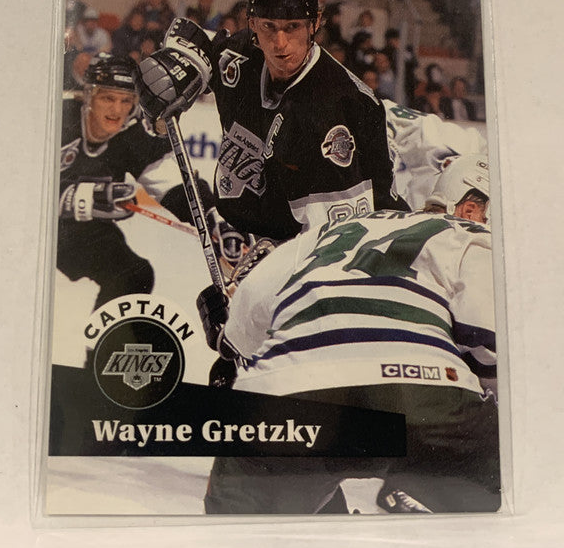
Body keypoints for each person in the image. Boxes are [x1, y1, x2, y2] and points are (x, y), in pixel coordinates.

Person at [201, 154, 499, 514]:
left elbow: (239, 334)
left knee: (236, 538)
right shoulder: (470, 235)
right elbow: (491, 337)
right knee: (519, 485)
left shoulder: (328, 232)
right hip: (420, 399)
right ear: (469, 208)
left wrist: (227, 339)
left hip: (287, 396)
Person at [135, 0, 407, 247]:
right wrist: (175, 63)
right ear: (252, 23)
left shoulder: (330, 109)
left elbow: (335, 242)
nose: (280, 44)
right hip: (251, 227)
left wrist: (271, 261)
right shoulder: (241, 56)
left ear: (315, 23)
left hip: (356, 241)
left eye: (293, 27)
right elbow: (194, 36)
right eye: (269, 27)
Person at [58, 53, 233, 312]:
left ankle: (104, 338)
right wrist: (72, 197)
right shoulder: (57, 117)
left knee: (134, 274)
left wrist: (212, 216)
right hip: (37, 227)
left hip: (83, 232)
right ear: (88, 95)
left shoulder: (132, 134)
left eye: (126, 101)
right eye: (108, 98)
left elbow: (174, 185)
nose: (117, 110)